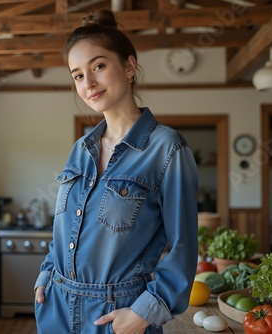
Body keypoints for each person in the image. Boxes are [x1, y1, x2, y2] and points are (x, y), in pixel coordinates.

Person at [34, 8, 198, 334]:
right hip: (56, 307)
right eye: (78, 75)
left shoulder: (167, 149)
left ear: (129, 66)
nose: (88, 83)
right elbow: (64, 230)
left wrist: (144, 313)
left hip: (118, 316)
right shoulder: (81, 149)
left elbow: (183, 247)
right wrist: (46, 275)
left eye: (98, 66)